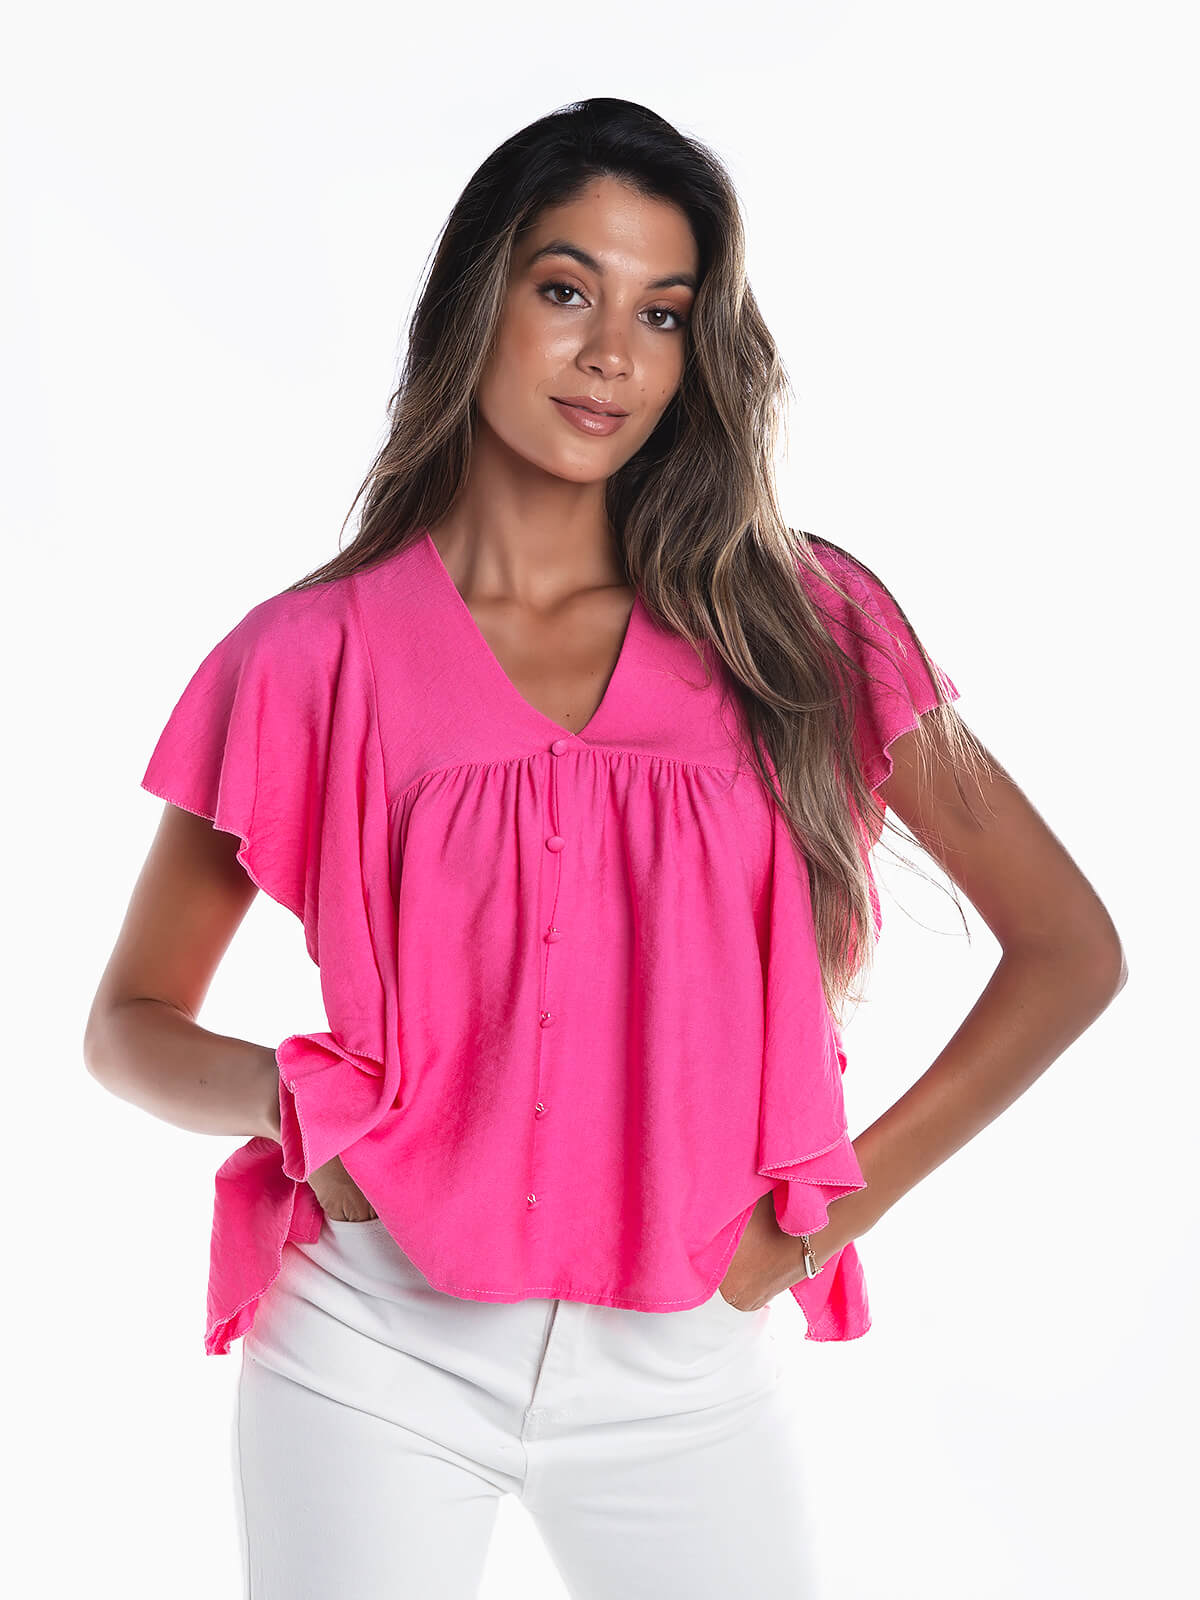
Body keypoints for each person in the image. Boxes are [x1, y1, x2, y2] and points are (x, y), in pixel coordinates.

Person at [84, 98, 1128, 1599]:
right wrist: (306, 1116)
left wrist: (813, 1228)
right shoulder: (310, 656)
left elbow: (1071, 951)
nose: (612, 356)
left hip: (689, 1371)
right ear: (476, 301)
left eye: (664, 312)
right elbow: (126, 1028)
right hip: (375, 1349)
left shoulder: (802, 624)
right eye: (567, 289)